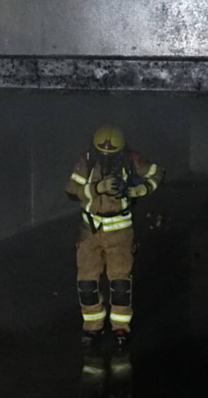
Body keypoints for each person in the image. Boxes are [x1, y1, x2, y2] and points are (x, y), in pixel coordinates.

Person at [65, 124, 165, 348]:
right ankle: (92, 327)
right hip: (90, 231)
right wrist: (97, 187)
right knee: (87, 283)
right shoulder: (87, 161)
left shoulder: (131, 160)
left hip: (120, 232)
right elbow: (72, 190)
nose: (107, 161)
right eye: (104, 155)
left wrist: (143, 188)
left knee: (120, 282)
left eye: (112, 156)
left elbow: (157, 172)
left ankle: (121, 327)